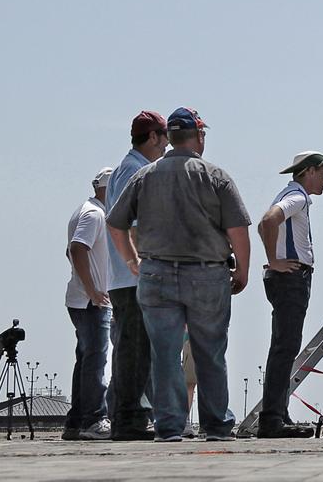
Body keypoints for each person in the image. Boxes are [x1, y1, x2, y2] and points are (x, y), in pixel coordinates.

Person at [106, 107, 252, 443]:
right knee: (210, 352)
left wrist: (132, 259)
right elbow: (238, 231)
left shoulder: (143, 176)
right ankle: (216, 425)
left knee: (164, 354)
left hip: (156, 274)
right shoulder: (216, 176)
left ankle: (169, 427)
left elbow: (115, 223)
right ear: (200, 136)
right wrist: (242, 271)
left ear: (169, 138)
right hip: (207, 274)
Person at [256, 151, 323, 438]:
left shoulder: (291, 194)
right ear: (311, 171)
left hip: (287, 277)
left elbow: (265, 224)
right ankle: (272, 419)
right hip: (291, 278)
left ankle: (277, 413)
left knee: (283, 347)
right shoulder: (298, 197)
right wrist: (275, 261)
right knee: (285, 348)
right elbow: (268, 221)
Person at [104, 110, 169, 441]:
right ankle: (129, 419)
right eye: (165, 136)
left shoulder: (122, 169)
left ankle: (126, 415)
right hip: (134, 277)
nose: (167, 144)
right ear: (154, 137)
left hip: (123, 277)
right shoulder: (137, 171)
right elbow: (134, 226)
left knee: (131, 348)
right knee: (135, 350)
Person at [62, 167, 117, 441]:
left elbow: (71, 250)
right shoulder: (96, 214)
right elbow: (77, 248)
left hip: (81, 298)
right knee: (96, 360)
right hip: (91, 302)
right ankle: (94, 419)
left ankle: (76, 420)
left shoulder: (83, 210)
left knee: (85, 359)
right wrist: (94, 290)